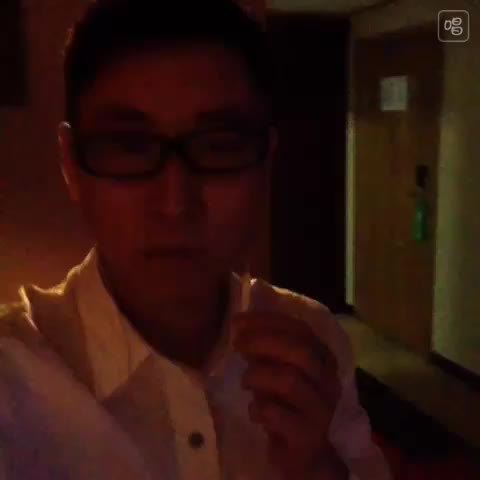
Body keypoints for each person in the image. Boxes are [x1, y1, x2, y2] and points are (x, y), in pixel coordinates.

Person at [0, 0, 392, 479]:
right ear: (70, 165)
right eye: (129, 146)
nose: (175, 204)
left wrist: (318, 467)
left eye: (218, 147)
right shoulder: (13, 377)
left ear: (266, 163)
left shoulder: (311, 336)